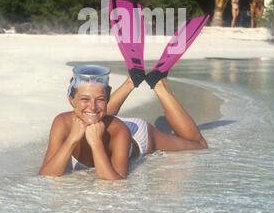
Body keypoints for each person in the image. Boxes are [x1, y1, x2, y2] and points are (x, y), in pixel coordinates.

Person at [39, 65, 208, 180]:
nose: (92, 105)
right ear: (71, 100)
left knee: (197, 143)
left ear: (107, 99)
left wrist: (96, 143)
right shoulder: (61, 122)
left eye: (101, 99)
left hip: (138, 136)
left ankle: (159, 86)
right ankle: (130, 82)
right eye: (83, 98)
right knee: (93, 113)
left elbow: (116, 182)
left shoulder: (120, 130)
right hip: (103, 120)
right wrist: (72, 140)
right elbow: (46, 174)